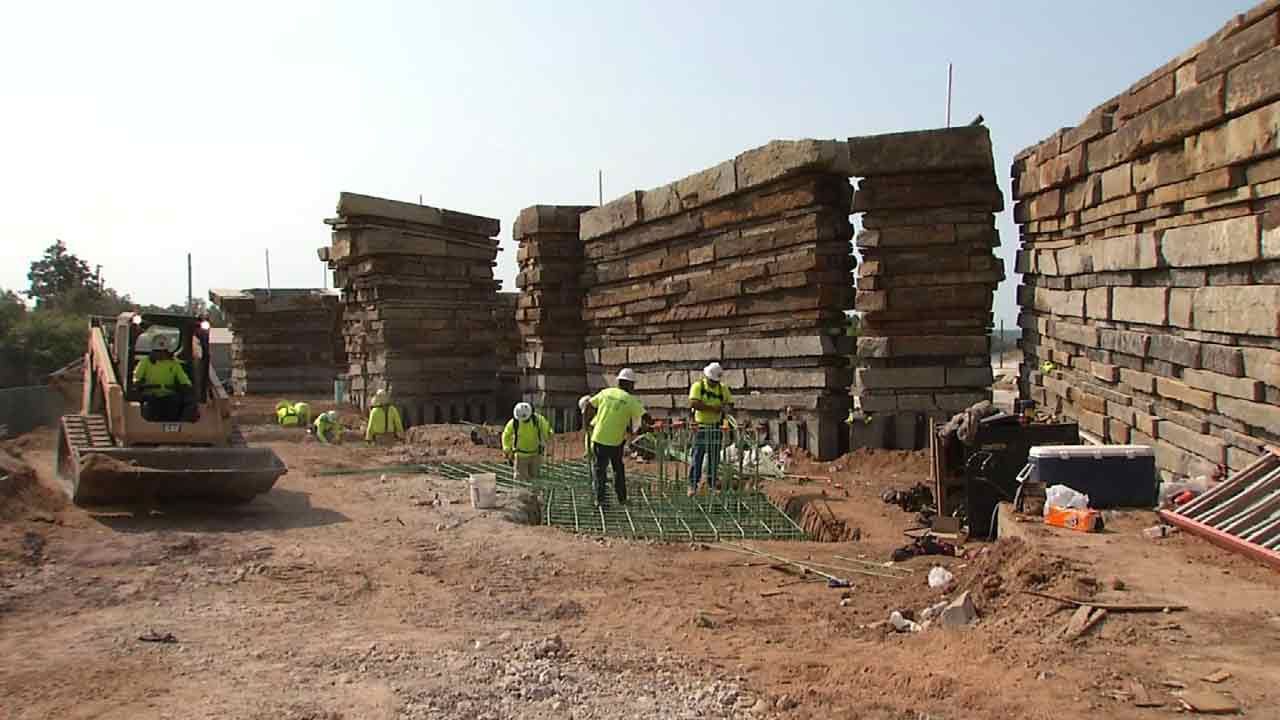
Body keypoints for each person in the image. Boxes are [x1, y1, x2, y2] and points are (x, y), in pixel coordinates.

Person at [582, 368, 650, 507]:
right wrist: (648, 427)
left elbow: (589, 405)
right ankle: (622, 499)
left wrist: (586, 425)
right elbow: (646, 417)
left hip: (599, 438)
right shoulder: (630, 400)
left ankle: (600, 500)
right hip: (615, 442)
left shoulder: (606, 392)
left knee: (599, 470)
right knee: (618, 470)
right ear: (630, 384)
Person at [688, 362, 734, 496]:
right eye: (712, 381)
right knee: (698, 456)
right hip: (701, 427)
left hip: (716, 427)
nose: (714, 383)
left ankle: (712, 484)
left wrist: (726, 409)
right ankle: (693, 484)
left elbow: (730, 404)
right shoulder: (698, 386)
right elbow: (694, 403)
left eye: (715, 381)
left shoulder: (722, 389)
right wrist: (714, 408)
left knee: (714, 457)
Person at [132, 335, 192, 422]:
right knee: (151, 406)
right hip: (150, 394)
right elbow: (137, 377)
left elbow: (183, 378)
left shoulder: (173, 363)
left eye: (162, 351)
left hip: (169, 394)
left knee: (176, 403)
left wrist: (187, 386)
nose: (160, 354)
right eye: (157, 351)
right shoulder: (145, 362)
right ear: (153, 351)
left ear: (167, 351)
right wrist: (137, 383)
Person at [501, 402, 554, 482]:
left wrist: (549, 433)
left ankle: (534, 494)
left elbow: (545, 429)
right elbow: (506, 435)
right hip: (520, 455)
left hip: (535, 454)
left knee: (535, 479)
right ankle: (521, 494)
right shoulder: (515, 422)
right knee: (520, 480)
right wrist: (507, 448)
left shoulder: (537, 420)